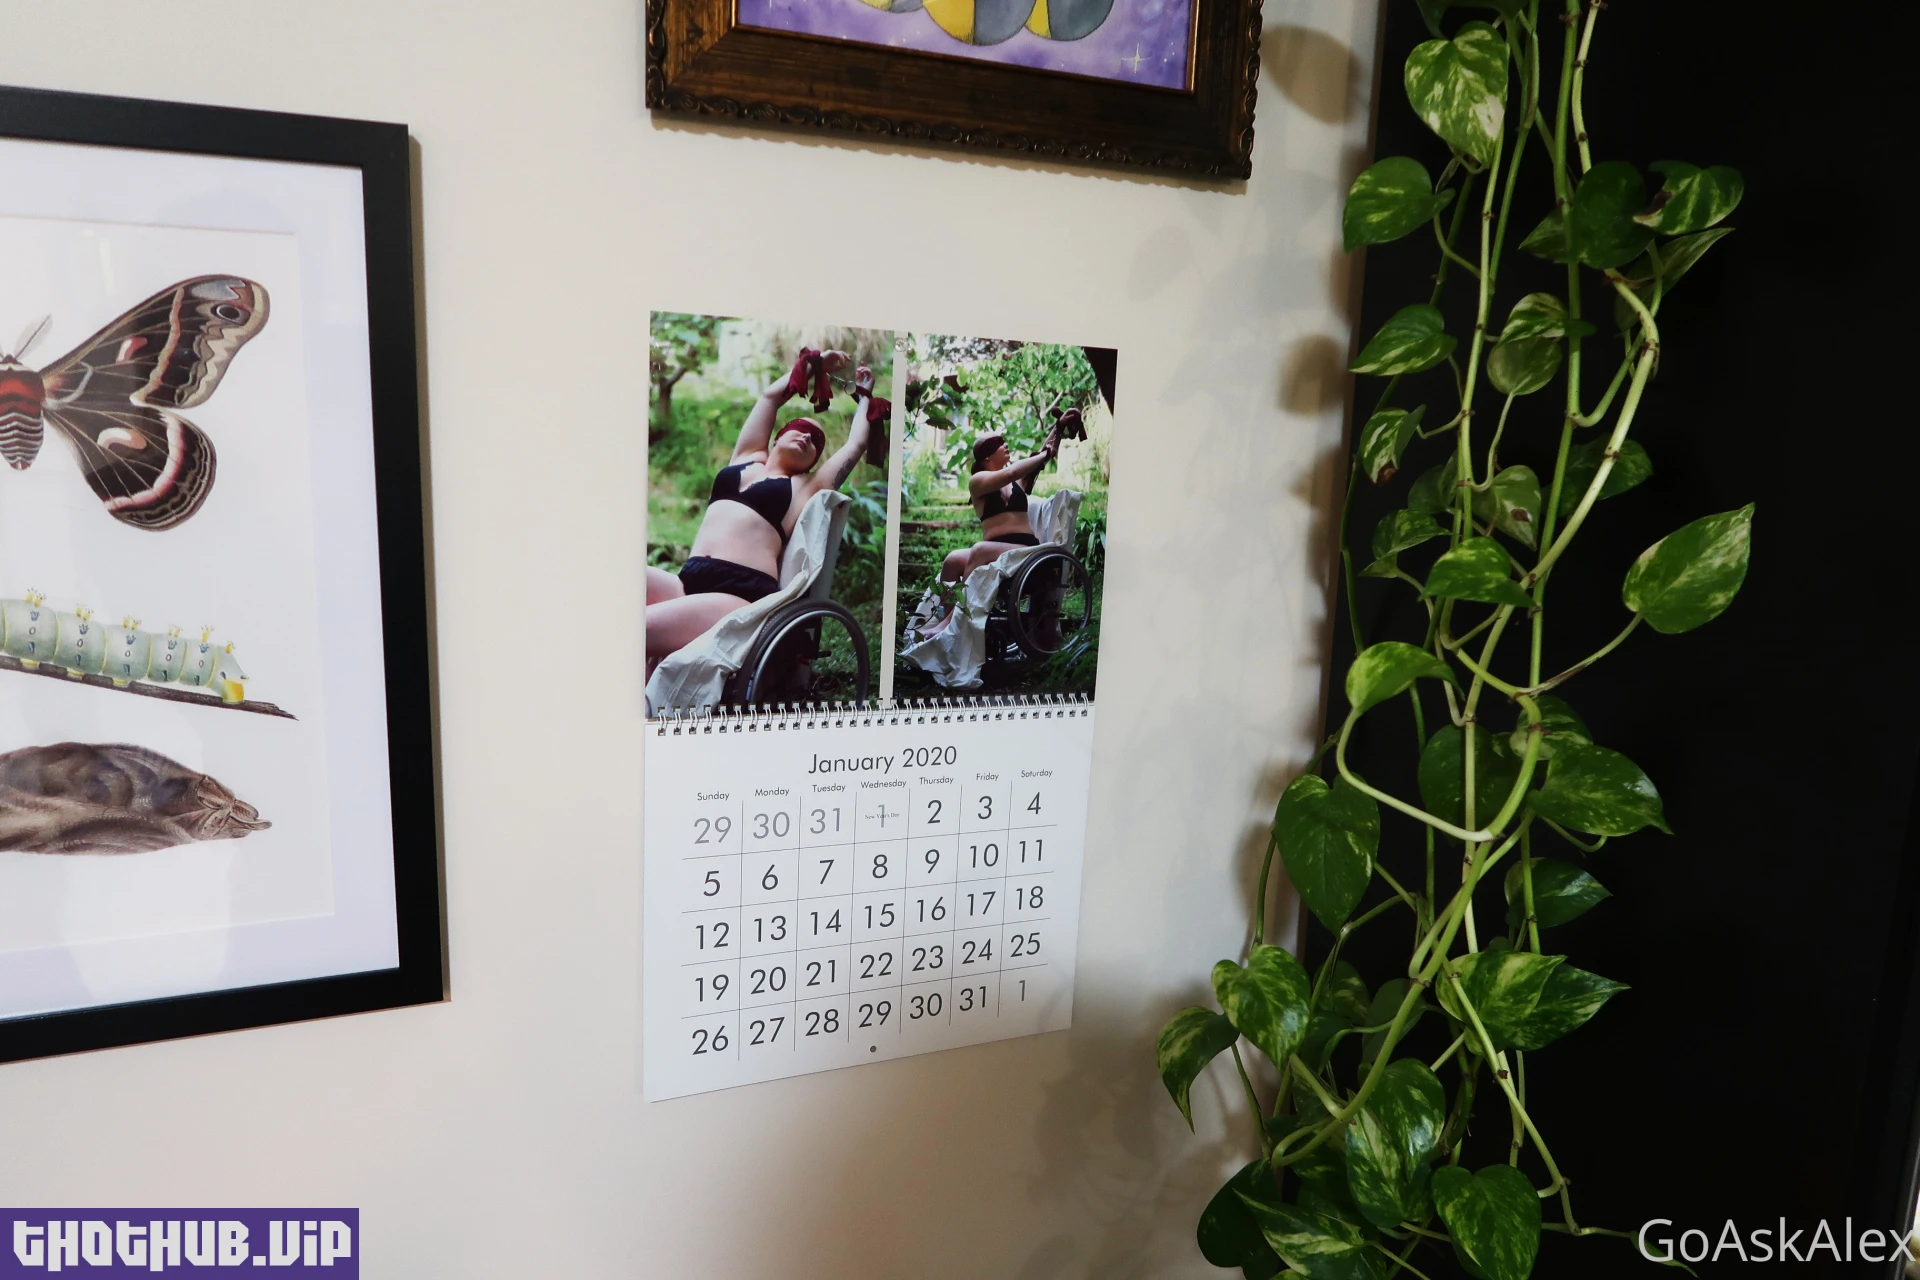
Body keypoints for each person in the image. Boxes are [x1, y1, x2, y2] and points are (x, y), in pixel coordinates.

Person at [646, 348, 884, 674]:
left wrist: (865, 396)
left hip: (738, 596)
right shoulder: (746, 456)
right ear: (776, 438)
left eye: (816, 441)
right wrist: (814, 366)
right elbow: (771, 398)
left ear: (812, 463)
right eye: (800, 428)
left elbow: (855, 445)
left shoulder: (804, 487)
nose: (807, 436)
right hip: (687, 581)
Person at [937, 423, 1063, 585]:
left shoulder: (1018, 481)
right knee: (952, 560)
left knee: (980, 550)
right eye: (997, 443)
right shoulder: (977, 481)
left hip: (1023, 549)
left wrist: (1060, 426)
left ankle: (965, 601)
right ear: (986, 456)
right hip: (994, 551)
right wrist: (1045, 454)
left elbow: (1043, 455)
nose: (1005, 445)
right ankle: (947, 603)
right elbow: (1013, 471)